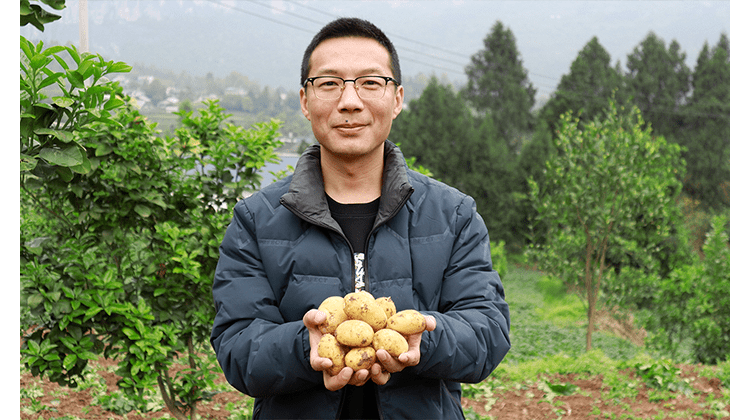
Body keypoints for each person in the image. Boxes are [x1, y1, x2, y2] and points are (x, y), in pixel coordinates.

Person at [210, 17, 511, 419]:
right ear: (305, 100)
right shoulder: (256, 219)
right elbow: (236, 345)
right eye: (329, 83)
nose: (349, 101)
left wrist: (424, 340)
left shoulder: (452, 214)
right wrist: (306, 347)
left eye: (370, 82)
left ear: (397, 98)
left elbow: (489, 329)